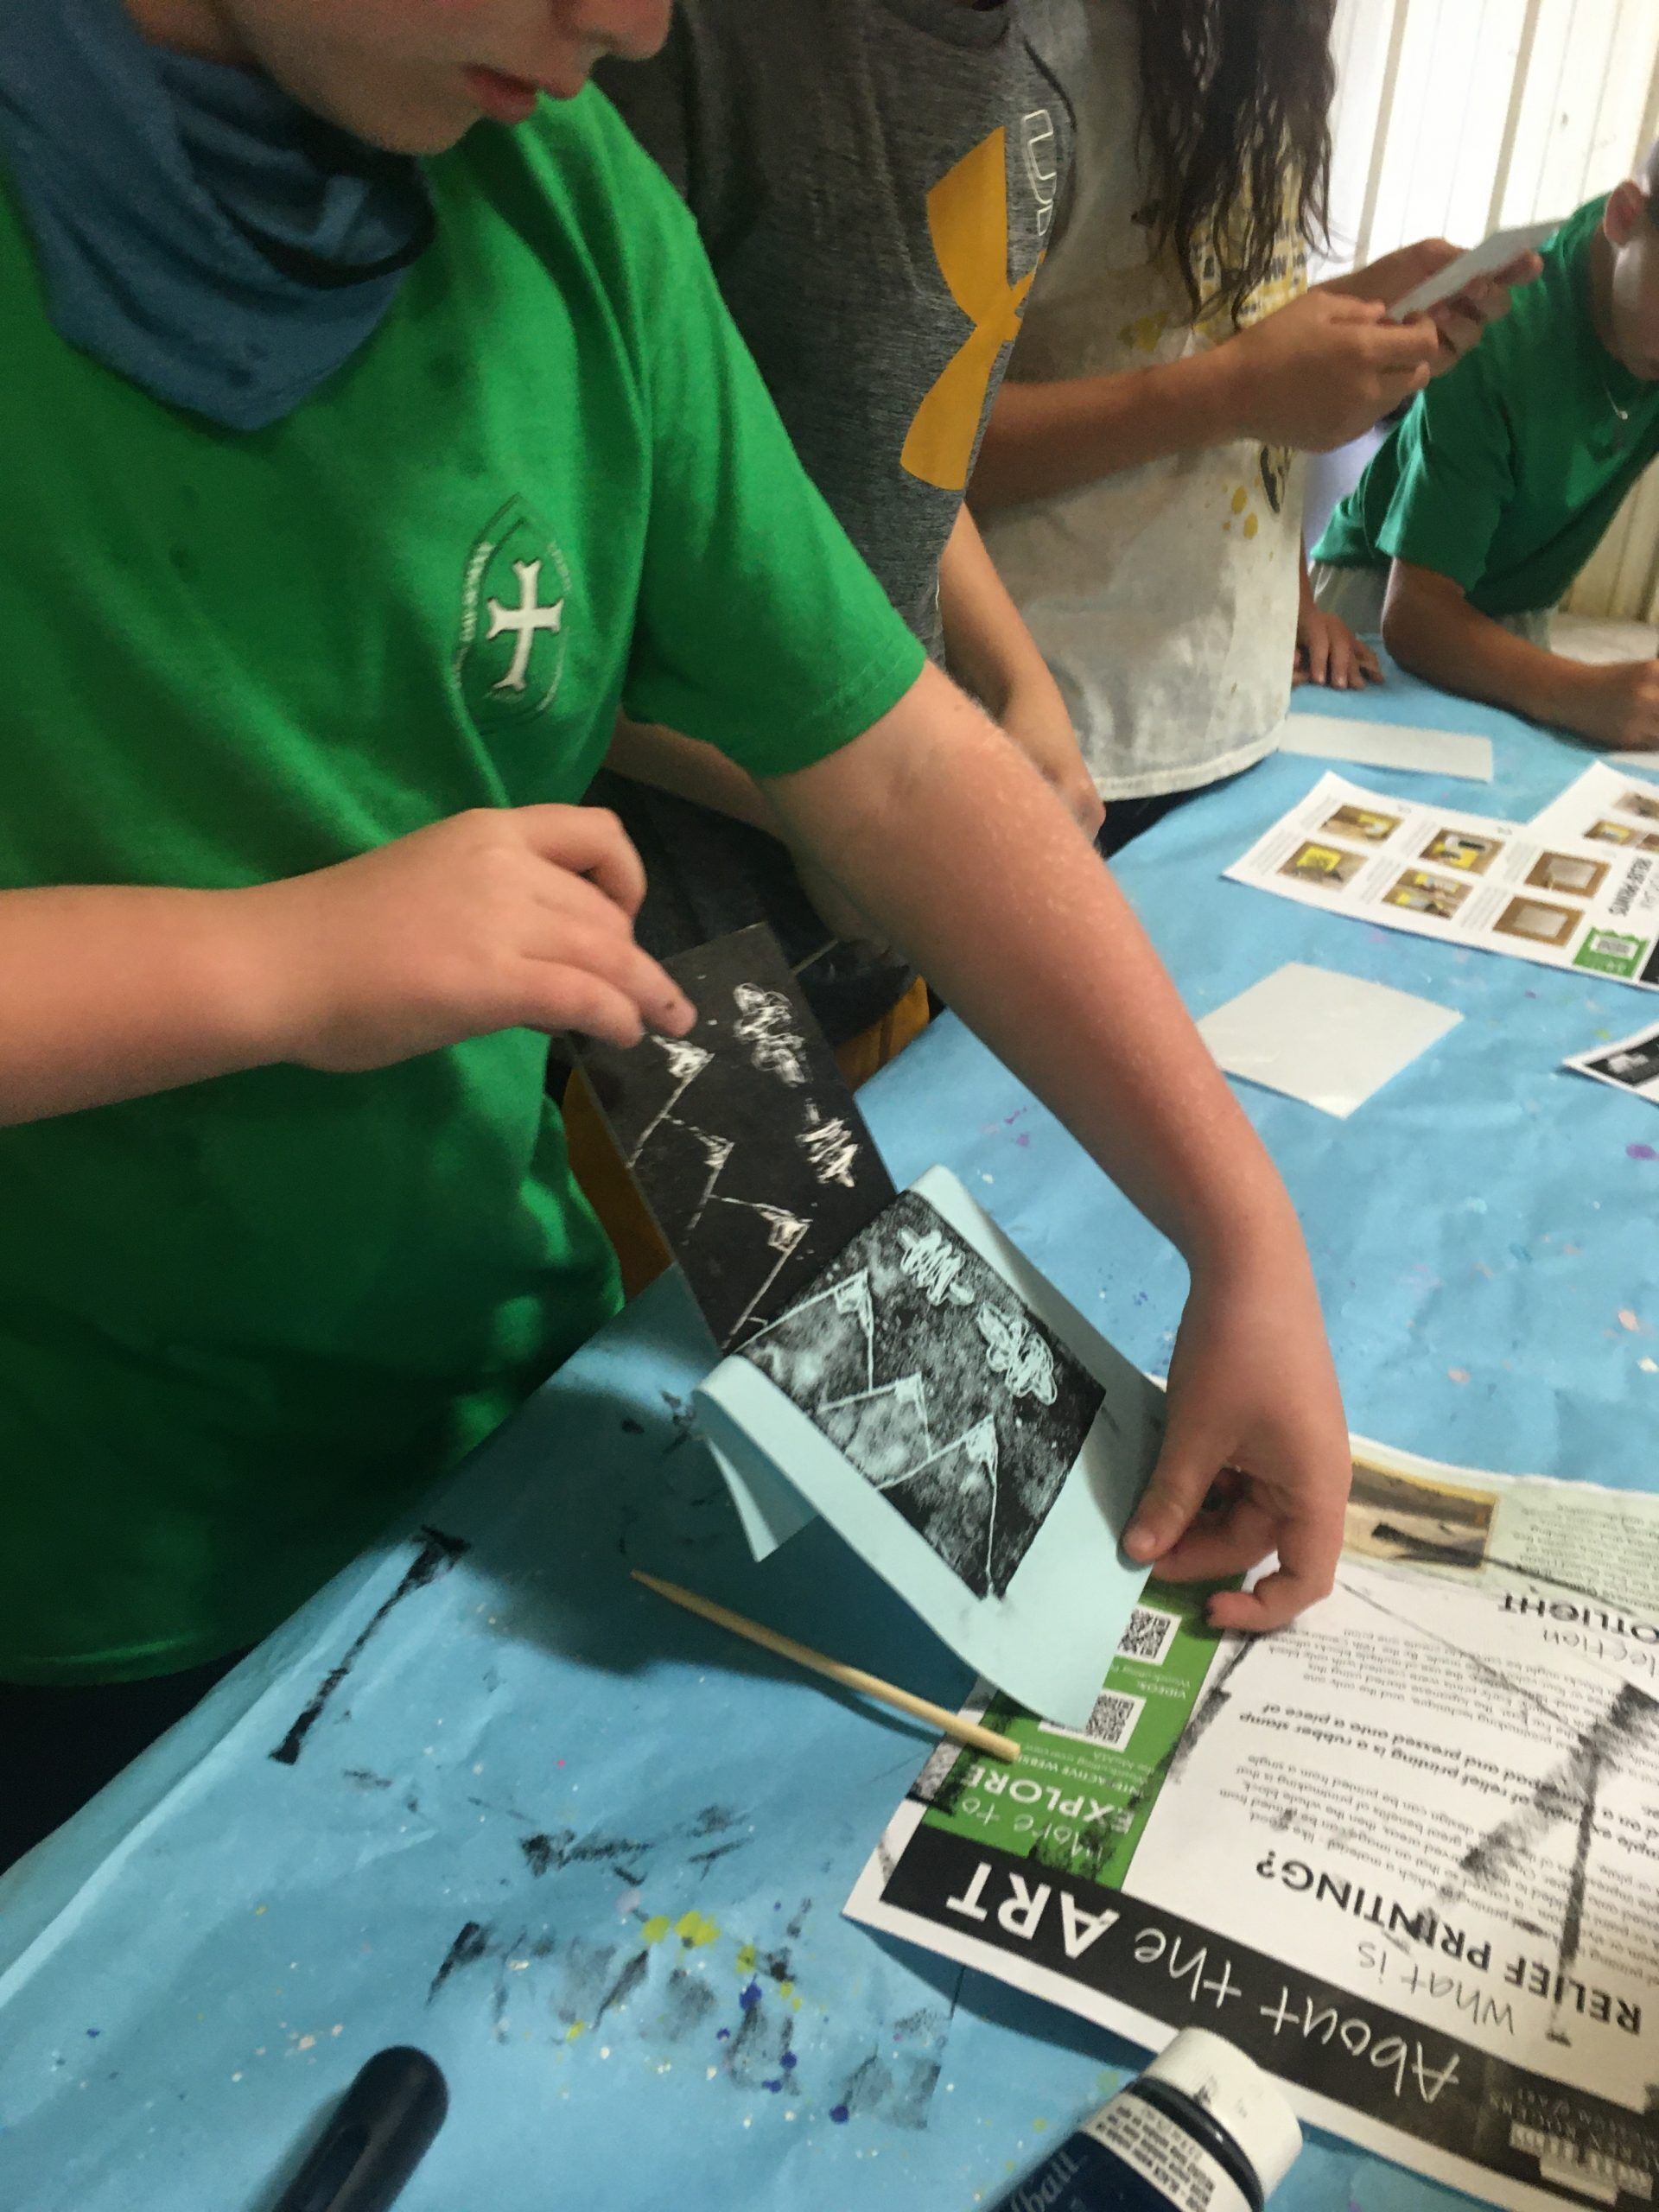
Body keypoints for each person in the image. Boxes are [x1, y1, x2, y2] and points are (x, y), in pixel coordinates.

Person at [0, 0, 1347, 1866]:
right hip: (73, 1603)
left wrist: (1235, 1222)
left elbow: (890, 766)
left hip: (482, 1462)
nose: (636, 20)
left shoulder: (563, 201)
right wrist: (283, 966)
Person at [589, 0, 1103, 1060]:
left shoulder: (1040, 69)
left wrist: (1020, 687)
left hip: (883, 915)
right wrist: (822, 795)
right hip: (661, 960)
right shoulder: (681, 49)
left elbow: (914, 437)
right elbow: (557, 597)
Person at [968, 0, 1536, 852]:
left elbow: (1222, 333)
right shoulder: (1026, 53)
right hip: (1061, 735)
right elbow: (913, 453)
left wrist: (1292, 597)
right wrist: (1231, 390)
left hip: (1239, 708)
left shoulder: (1260, 56)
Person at [1311, 146, 1659, 752]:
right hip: (1372, 613)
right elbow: (1415, 617)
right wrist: (1579, 692)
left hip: (1515, 623)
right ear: (1625, 215)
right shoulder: (1502, 329)